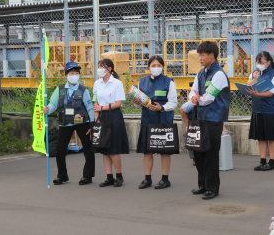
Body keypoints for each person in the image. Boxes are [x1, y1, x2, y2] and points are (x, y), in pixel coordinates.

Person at [189, 41, 230, 200]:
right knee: (199, 153)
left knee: (211, 154)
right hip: (201, 117)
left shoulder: (219, 74)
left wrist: (197, 100)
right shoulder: (201, 73)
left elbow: (209, 97)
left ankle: (212, 188)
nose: (199, 58)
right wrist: (193, 97)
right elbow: (193, 89)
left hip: (214, 119)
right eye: (199, 55)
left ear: (211, 55)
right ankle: (202, 185)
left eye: (202, 55)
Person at [43, 62, 95, 186]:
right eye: (72, 73)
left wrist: (92, 125)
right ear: (66, 75)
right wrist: (48, 109)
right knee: (60, 150)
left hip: (82, 122)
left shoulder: (83, 90)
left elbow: (89, 107)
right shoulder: (60, 89)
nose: (75, 75)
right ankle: (62, 175)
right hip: (65, 122)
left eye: (77, 73)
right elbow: (53, 104)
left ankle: (87, 176)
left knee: (88, 149)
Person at [133, 55, 178, 189]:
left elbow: (173, 102)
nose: (156, 68)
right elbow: (138, 104)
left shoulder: (169, 82)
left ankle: (165, 179)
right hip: (147, 119)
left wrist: (161, 107)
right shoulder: (142, 82)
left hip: (163, 119)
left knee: (164, 150)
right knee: (147, 151)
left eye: (158, 65)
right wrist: (136, 102)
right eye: (153, 65)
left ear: (163, 67)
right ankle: (147, 179)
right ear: (148, 67)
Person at [93, 59, 129, 187]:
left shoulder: (117, 83)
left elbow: (118, 103)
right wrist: (97, 119)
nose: (99, 70)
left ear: (109, 69)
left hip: (114, 116)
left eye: (101, 67)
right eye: (98, 67)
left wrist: (102, 109)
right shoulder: (97, 83)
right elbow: (95, 103)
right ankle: (109, 177)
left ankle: (119, 175)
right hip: (102, 116)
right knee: (104, 149)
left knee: (113, 150)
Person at [246, 51, 274, 171]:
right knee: (261, 137)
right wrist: (255, 78)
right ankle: (262, 161)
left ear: (268, 62)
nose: (259, 64)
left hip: (270, 109)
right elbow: (248, 86)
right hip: (258, 108)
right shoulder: (255, 74)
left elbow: (272, 92)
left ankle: (271, 162)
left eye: (262, 62)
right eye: (257, 62)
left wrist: (257, 93)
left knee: (272, 137)